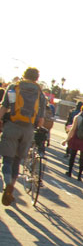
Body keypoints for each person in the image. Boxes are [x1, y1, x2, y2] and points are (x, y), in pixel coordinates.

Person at [0, 67, 47, 206]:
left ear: (24, 75)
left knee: (7, 160)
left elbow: (4, 107)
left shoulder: (14, 87)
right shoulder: (40, 93)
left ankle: (7, 183)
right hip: (28, 130)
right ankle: (12, 187)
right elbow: (41, 119)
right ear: (37, 78)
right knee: (17, 161)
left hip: (12, 126)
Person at [63, 105, 83, 181]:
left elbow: (73, 129)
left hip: (77, 138)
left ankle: (70, 172)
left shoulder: (77, 117)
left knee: (73, 156)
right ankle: (79, 175)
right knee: (82, 158)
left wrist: (66, 140)